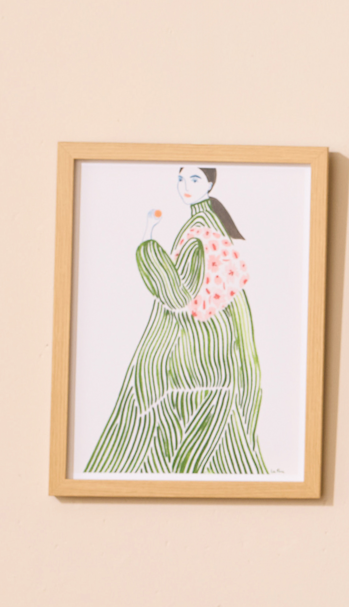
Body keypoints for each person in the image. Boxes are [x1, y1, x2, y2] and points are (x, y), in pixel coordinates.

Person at [86, 164, 265, 476]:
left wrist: (147, 239)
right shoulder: (211, 225)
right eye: (180, 179)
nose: (185, 186)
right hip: (217, 351)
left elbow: (178, 297)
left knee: (154, 417)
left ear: (209, 185)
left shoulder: (199, 232)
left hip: (194, 352)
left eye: (194, 179)